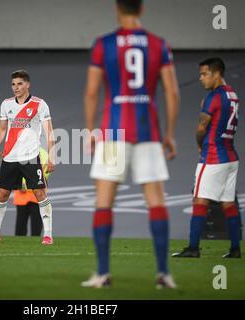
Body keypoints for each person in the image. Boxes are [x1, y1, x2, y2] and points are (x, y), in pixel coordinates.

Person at [81, 0, 180, 289]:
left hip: (113, 132)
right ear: (142, 9)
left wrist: (89, 131)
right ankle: (164, 274)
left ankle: (102, 274)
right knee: (156, 203)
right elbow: (172, 93)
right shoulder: (158, 44)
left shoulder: (104, 44)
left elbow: (91, 93)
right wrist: (170, 134)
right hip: (148, 132)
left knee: (103, 203)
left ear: (117, 8)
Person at [172, 58, 242, 258]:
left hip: (213, 155)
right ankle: (235, 249)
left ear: (217, 73)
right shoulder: (233, 95)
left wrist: (199, 145)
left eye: (204, 74)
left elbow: (202, 127)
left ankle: (193, 248)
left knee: (199, 201)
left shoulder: (214, 97)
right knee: (228, 204)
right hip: (231, 155)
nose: (201, 78)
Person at [0, 70, 55, 245]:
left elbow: (49, 131)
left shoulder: (39, 104)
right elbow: (1, 128)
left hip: (31, 157)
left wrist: (52, 156)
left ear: (27, 84)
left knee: (40, 193)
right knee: (2, 193)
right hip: (9, 158)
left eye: (20, 83)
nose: (16, 87)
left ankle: (48, 235)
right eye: (13, 84)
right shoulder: (6, 104)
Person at [14, 147, 50, 236]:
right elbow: (14, 169)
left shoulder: (43, 153)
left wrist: (25, 184)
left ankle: (36, 243)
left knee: (36, 224)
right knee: (20, 224)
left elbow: (46, 170)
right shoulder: (18, 151)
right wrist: (20, 183)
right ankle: (19, 244)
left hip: (37, 195)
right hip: (22, 195)